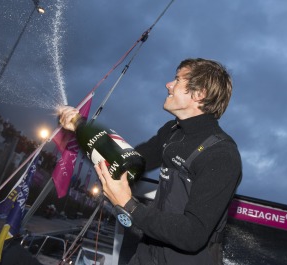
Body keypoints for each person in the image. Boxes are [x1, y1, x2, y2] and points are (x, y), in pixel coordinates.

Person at [58, 58, 242, 264]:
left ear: (200, 93)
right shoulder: (171, 132)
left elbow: (192, 234)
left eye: (177, 79)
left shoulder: (222, 154)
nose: (168, 85)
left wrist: (129, 206)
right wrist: (79, 126)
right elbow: (124, 160)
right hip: (147, 255)